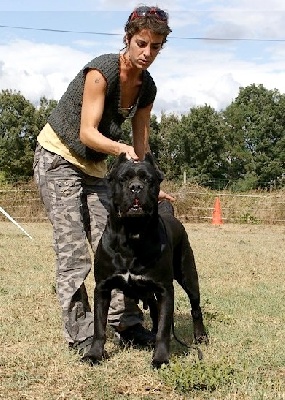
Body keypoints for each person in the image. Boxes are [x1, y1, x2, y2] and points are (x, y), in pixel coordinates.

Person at [33, 5, 173, 355]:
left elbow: (141, 141)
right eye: (141, 43)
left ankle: (125, 324)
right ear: (127, 38)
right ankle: (81, 335)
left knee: (115, 242)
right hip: (58, 157)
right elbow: (87, 132)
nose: (147, 53)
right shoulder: (102, 71)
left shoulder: (147, 88)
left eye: (155, 47)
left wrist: (150, 180)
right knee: (73, 250)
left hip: (94, 168)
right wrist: (121, 149)